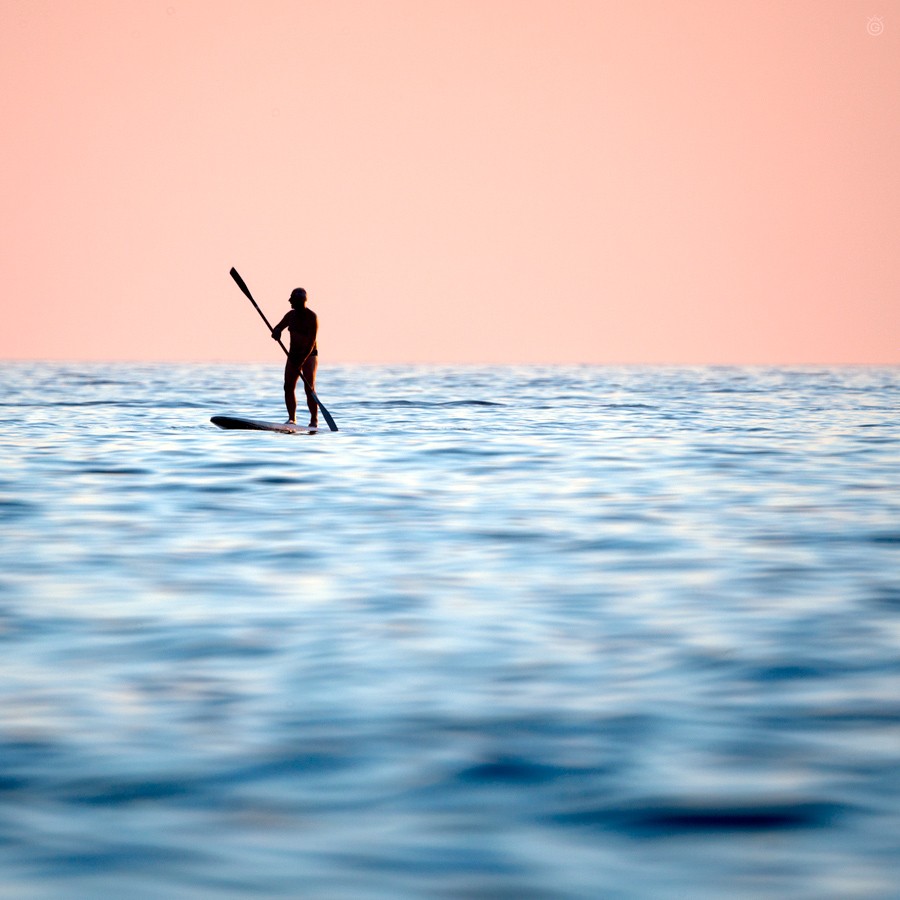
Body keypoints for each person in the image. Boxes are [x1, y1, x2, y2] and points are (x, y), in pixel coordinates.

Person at [271, 288, 318, 427]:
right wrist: (277, 331)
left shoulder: (312, 317)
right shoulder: (290, 315)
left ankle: (314, 420)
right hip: (293, 355)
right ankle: (292, 418)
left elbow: (311, 343)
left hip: (309, 355)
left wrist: (302, 359)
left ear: (299, 301)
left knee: (309, 388)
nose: (289, 301)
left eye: (291, 299)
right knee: (288, 386)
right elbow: (278, 327)